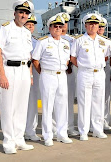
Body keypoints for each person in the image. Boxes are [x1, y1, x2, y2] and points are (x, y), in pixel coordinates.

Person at [0, 0, 34, 153]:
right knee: (8, 107)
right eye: (21, 12)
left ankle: (19, 138)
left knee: (21, 107)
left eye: (26, 13)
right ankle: (9, 142)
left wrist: (30, 75)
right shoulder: (5, 28)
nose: (23, 15)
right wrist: (2, 75)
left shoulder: (26, 32)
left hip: (24, 70)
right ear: (15, 13)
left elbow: (28, 55)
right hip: (9, 70)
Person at [32, 14, 73, 146]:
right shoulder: (43, 42)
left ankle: (62, 133)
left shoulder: (66, 43)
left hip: (62, 75)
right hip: (48, 75)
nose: (58, 28)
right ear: (50, 28)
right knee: (47, 106)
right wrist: (43, 72)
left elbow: (67, 60)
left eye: (60, 26)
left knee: (62, 105)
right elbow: (35, 60)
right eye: (55, 26)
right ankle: (47, 135)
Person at [70, 13, 109, 141]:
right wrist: (83, 66)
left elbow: (107, 56)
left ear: (98, 26)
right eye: (90, 24)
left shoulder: (103, 41)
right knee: (84, 103)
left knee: (98, 102)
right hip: (85, 73)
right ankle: (83, 131)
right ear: (85, 25)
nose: (93, 26)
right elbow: (73, 58)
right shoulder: (79, 40)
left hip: (99, 73)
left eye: (95, 24)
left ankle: (98, 129)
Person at [56, 12, 79, 137]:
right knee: (57, 101)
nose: (63, 25)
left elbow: (75, 56)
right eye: (60, 23)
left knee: (69, 100)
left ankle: (69, 127)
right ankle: (56, 128)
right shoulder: (51, 38)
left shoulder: (72, 40)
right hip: (57, 73)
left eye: (65, 23)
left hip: (69, 73)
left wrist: (70, 64)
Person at [24, 14, 42, 142]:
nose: (30, 26)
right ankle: (18, 132)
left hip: (34, 74)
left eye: (32, 24)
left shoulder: (36, 41)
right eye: (28, 24)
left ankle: (30, 130)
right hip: (20, 71)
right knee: (19, 103)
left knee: (32, 103)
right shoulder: (18, 38)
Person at [98, 17, 111, 131]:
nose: (100, 28)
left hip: (106, 69)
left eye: (102, 27)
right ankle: (93, 121)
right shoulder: (88, 40)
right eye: (98, 26)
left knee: (106, 97)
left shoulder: (108, 41)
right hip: (95, 69)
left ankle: (105, 121)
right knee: (94, 97)